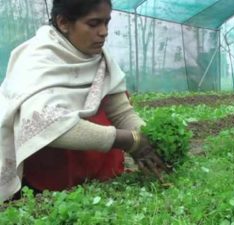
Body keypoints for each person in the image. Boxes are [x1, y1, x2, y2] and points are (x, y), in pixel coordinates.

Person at [0, 0, 165, 202]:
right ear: (63, 23)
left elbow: (121, 112)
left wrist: (150, 140)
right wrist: (129, 140)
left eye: (107, 22)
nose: (104, 32)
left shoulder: (99, 58)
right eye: (94, 24)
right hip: (44, 178)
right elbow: (46, 125)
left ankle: (100, 178)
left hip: (95, 174)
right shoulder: (37, 60)